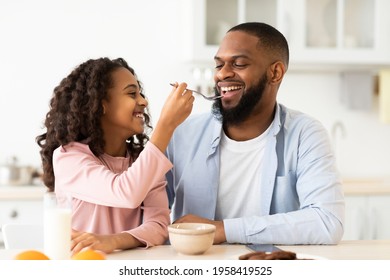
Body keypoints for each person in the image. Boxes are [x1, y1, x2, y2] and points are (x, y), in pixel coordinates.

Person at [166, 22, 345, 245]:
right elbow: (147, 216)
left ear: (275, 72)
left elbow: (327, 222)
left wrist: (222, 230)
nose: (222, 74)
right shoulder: (181, 134)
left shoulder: (304, 134)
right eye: (219, 64)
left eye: (239, 63)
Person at [36, 57, 194, 255]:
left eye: (141, 93)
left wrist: (112, 241)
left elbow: (159, 225)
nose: (143, 102)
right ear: (101, 104)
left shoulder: (142, 161)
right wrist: (166, 125)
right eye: (131, 93)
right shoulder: (68, 157)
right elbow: (126, 192)